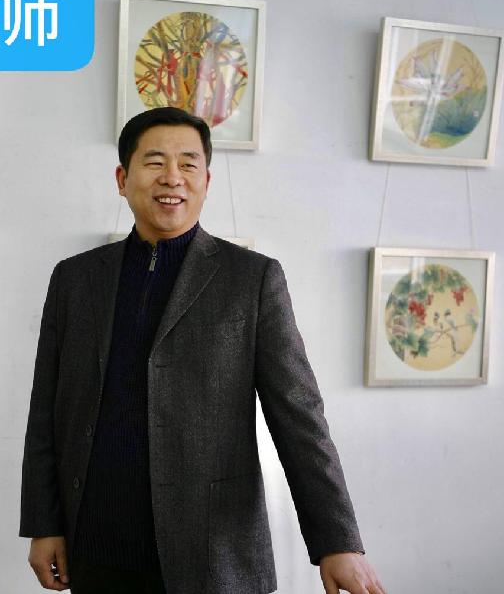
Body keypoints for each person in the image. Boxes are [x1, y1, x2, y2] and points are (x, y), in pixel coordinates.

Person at [20, 107, 385, 594]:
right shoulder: (75, 279)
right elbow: (46, 410)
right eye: (154, 162)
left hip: (213, 551)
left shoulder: (252, 279)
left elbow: (299, 416)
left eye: (188, 164)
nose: (172, 177)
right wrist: (45, 523)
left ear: (206, 181)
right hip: (98, 546)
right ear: (122, 179)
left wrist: (338, 543)